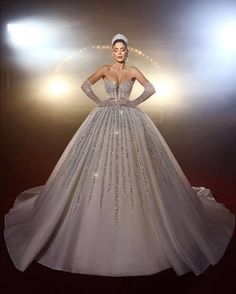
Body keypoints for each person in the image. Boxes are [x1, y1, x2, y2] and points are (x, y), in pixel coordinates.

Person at [4, 33, 235, 277]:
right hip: (102, 118)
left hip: (130, 118)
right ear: (112, 52)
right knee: (96, 159)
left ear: (127, 51)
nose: (119, 53)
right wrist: (99, 102)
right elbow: (84, 85)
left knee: (133, 161)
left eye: (122, 49)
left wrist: (133, 102)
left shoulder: (133, 70)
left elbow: (151, 88)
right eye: (116, 49)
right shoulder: (104, 68)